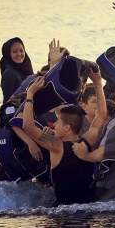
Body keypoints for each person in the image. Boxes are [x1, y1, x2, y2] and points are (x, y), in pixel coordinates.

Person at [22, 67, 106, 206]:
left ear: (67, 127)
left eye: (58, 122)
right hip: (86, 210)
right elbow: (101, 115)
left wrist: (30, 95)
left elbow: (28, 126)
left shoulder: (56, 145)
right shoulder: (87, 142)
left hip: (63, 213)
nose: (55, 125)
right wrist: (98, 84)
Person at [0, 37, 34, 104]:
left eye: (21, 50)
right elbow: (7, 101)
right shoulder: (9, 73)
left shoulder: (25, 67)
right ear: (8, 54)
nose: (19, 54)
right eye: (14, 52)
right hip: (15, 112)